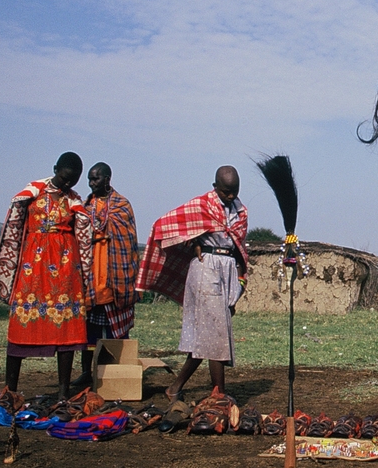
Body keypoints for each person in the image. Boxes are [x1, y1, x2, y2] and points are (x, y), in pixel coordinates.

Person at [0, 152, 94, 401]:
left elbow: (84, 233)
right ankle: (10, 391)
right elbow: (15, 221)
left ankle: (63, 394)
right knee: (21, 324)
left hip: (66, 268)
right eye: (64, 178)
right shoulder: (33, 191)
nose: (67, 184)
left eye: (73, 181)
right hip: (32, 266)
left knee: (67, 328)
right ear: (55, 168)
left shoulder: (74, 201)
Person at [135, 166, 248, 401]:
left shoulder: (241, 212)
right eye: (226, 191)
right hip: (205, 267)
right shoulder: (201, 206)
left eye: (234, 191)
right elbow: (162, 226)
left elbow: (238, 247)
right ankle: (219, 394)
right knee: (215, 333)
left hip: (227, 270)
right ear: (215, 186)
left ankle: (175, 387)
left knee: (208, 335)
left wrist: (239, 281)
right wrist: (192, 239)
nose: (230, 196)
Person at [70, 162, 141, 389]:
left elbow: (128, 240)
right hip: (91, 276)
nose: (92, 184)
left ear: (108, 179)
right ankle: (86, 373)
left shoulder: (122, 205)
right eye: (90, 180)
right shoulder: (85, 205)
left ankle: (117, 372)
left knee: (115, 332)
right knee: (88, 331)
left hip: (114, 277)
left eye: (96, 179)